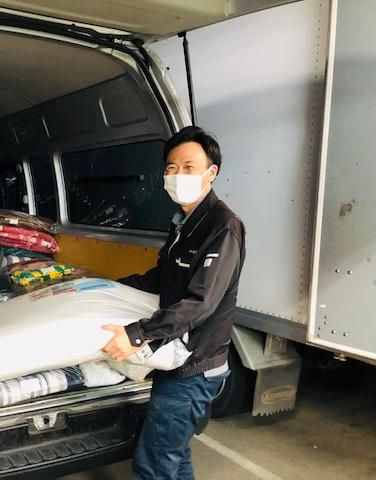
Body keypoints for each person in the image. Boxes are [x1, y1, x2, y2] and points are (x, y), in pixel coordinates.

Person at [102, 126, 246, 480]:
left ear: (211, 172)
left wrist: (137, 334)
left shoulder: (223, 226)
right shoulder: (183, 222)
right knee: (173, 456)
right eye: (171, 167)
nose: (178, 175)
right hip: (177, 359)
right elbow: (162, 278)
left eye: (189, 167)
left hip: (194, 366)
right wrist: (106, 287)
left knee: (154, 466)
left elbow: (201, 301)